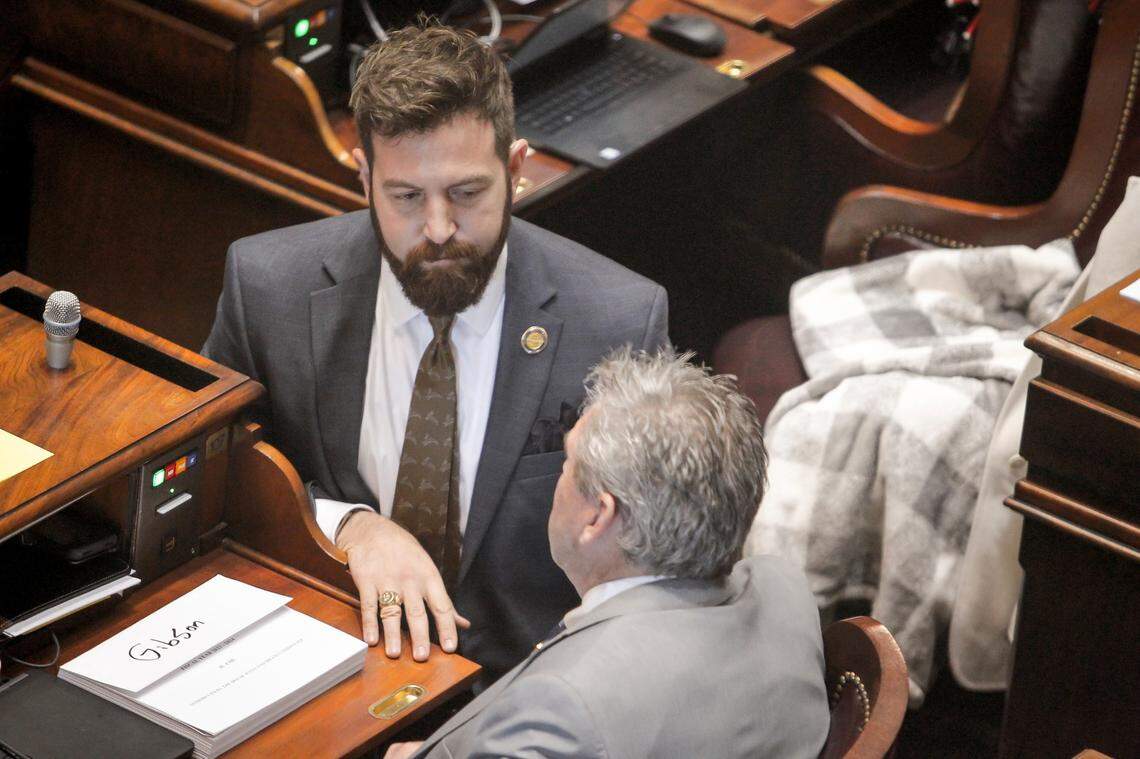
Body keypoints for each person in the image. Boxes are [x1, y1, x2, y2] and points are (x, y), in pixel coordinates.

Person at [202, 24, 668, 680]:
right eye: (406, 197)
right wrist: (350, 526)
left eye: (467, 193)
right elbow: (216, 473)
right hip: (329, 666)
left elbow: (650, 580)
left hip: (522, 696)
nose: (440, 228)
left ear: (515, 170)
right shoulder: (268, 286)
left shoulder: (617, 323)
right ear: (365, 178)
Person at [386, 349, 831, 759]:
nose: (556, 481)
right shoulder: (784, 590)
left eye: (566, 465)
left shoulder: (561, 713)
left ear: (598, 517)